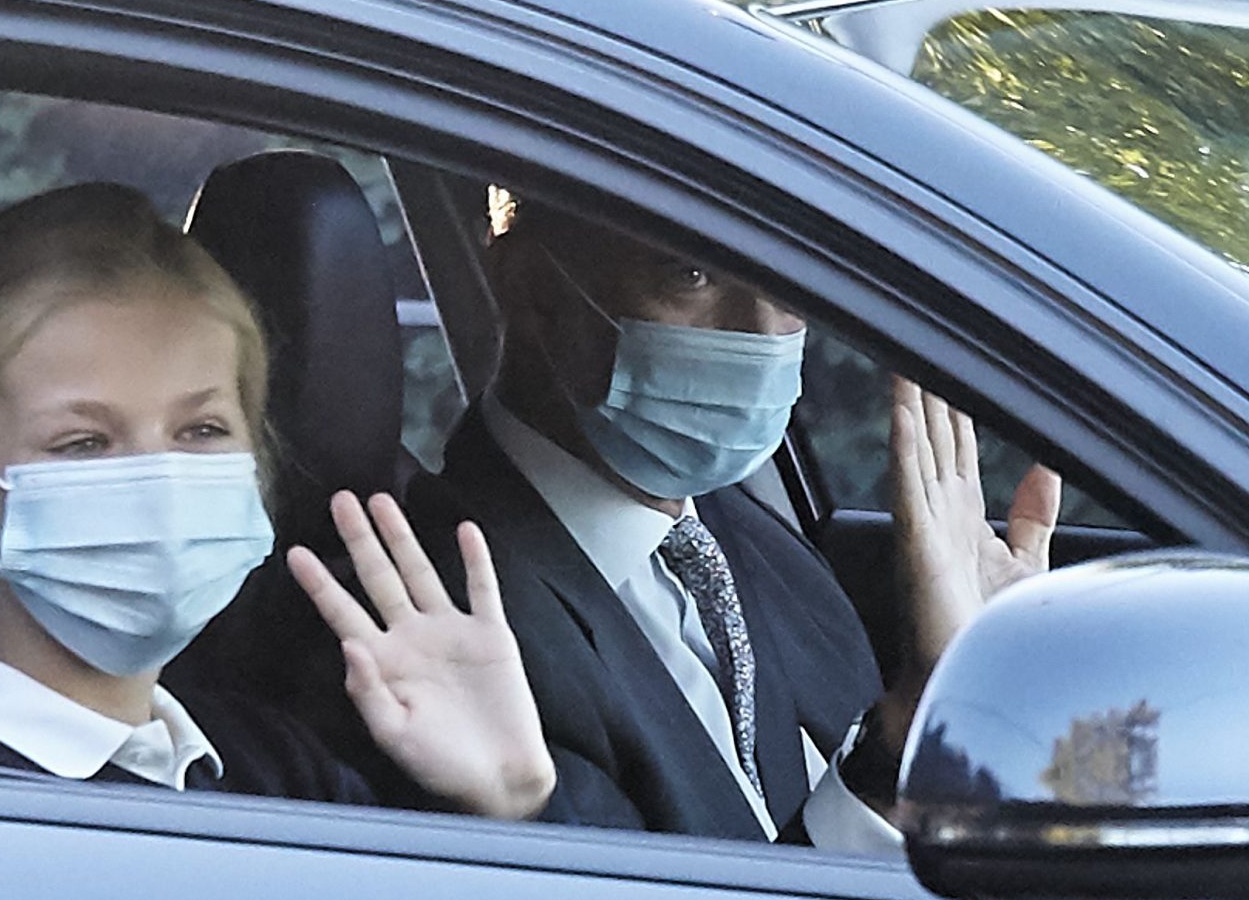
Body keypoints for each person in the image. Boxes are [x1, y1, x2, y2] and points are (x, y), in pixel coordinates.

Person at [202, 195, 1060, 849]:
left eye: (788, 280)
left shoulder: (754, 544)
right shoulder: (434, 638)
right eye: (693, 275)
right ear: (535, 292)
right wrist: (908, 736)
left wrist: (999, 710)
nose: (764, 332)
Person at [0, 180, 554, 821]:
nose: (159, 484)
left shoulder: (275, 765)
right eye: (83, 442)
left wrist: (503, 802)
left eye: (202, 430)